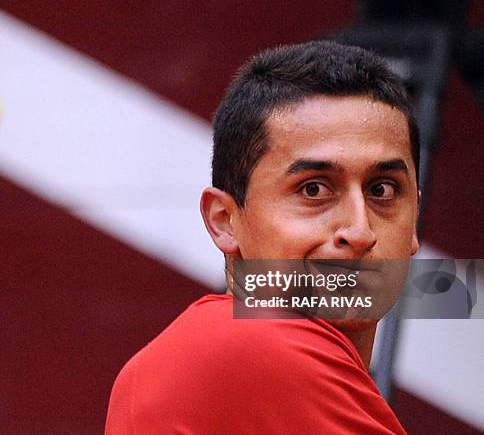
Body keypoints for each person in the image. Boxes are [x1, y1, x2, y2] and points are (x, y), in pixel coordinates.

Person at [105, 40, 420, 434]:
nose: (359, 231)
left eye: (382, 190)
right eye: (314, 190)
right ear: (224, 220)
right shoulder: (258, 346)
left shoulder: (198, 348)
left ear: (415, 220)